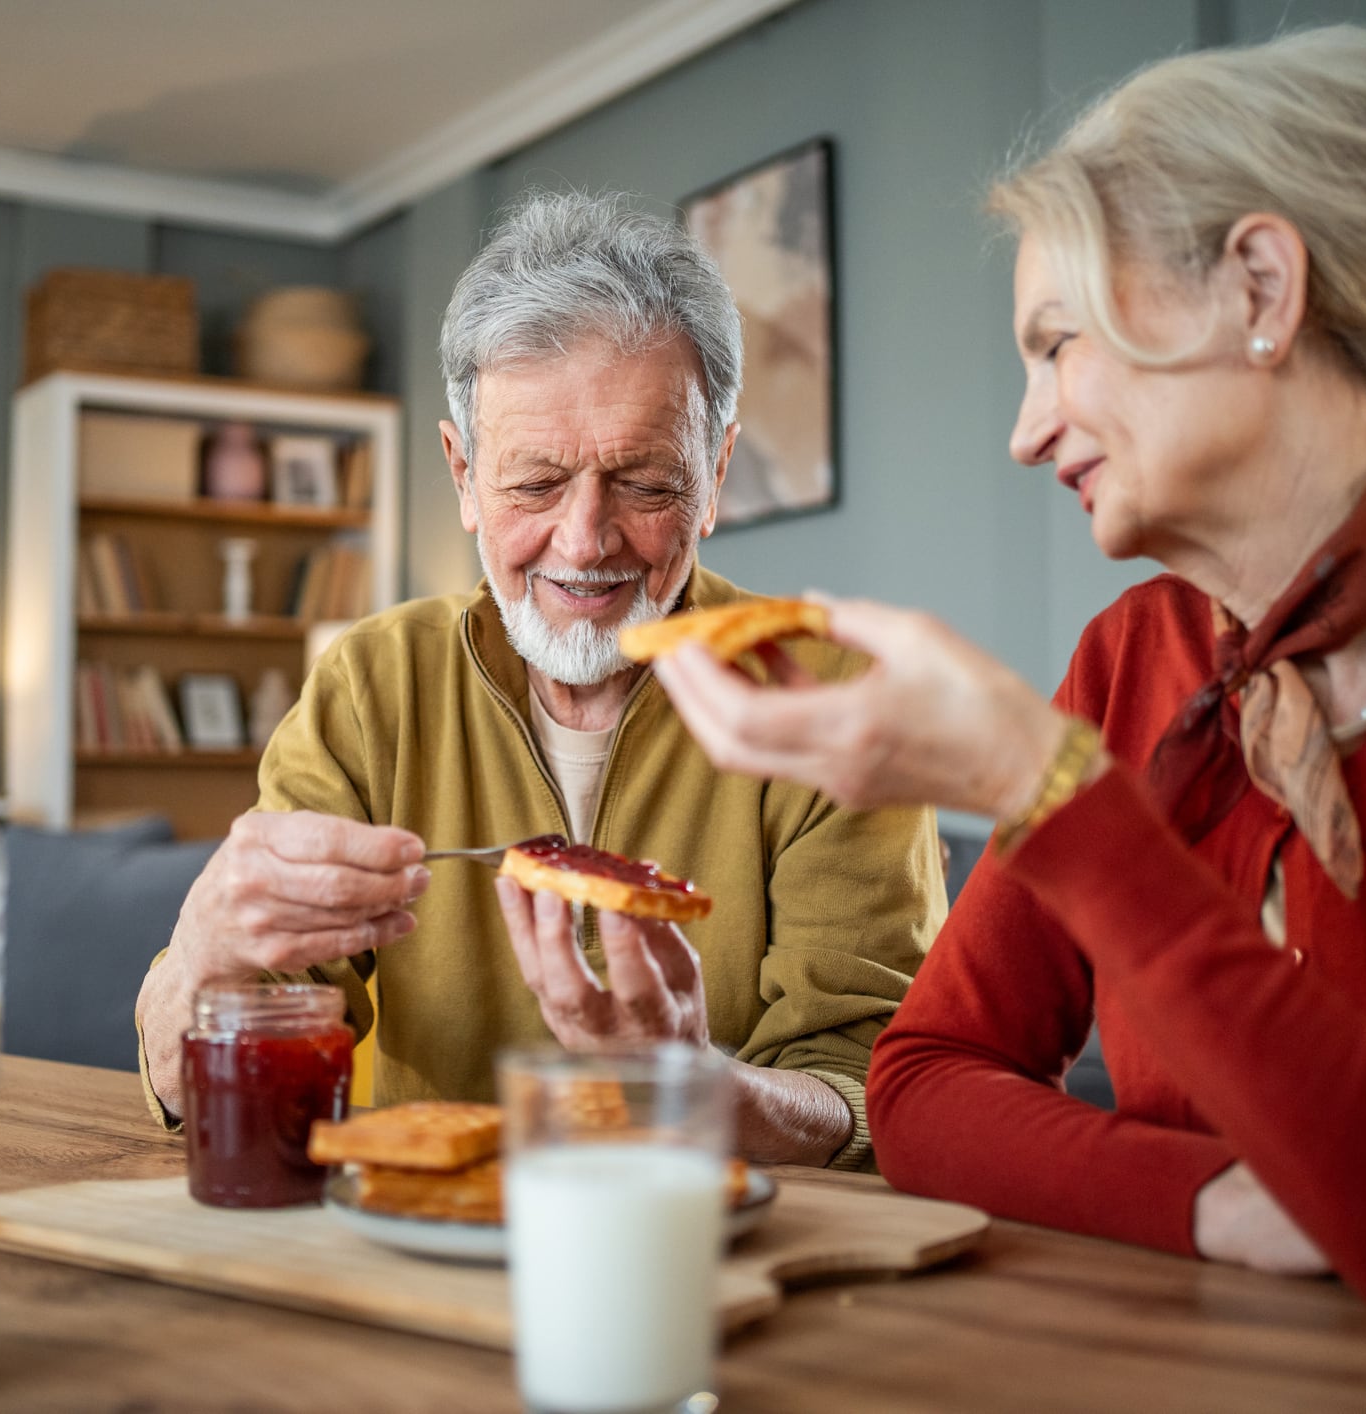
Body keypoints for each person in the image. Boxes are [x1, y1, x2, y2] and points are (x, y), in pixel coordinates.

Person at [652, 25, 1366, 1318]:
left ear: (1257, 286)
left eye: (1058, 342)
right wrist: (1208, 1202)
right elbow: (922, 1085)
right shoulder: (1137, 656)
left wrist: (1046, 783)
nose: (1024, 432)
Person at [135, 192, 944, 1169]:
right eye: (533, 484)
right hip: (405, 1244)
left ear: (718, 471)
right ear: (462, 474)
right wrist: (200, 954)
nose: (584, 542)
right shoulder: (369, 687)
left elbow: (879, 1096)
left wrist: (687, 1085)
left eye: (645, 481)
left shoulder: (835, 701)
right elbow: (211, 1084)